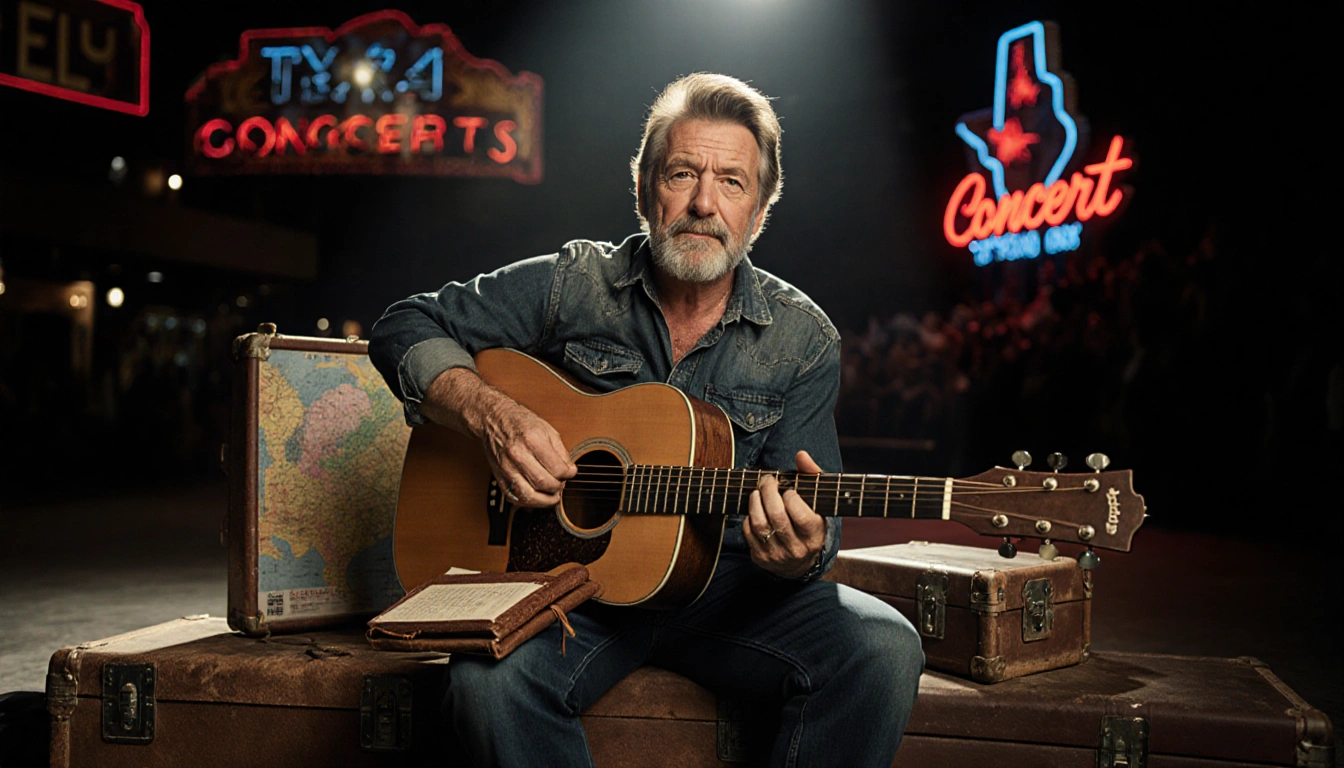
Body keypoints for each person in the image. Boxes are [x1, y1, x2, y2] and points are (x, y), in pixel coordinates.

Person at [369, 73, 923, 768]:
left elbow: (816, 517)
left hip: (729, 598)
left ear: (759, 210)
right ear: (642, 189)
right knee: (486, 681)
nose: (702, 203)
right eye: (682, 173)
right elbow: (404, 325)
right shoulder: (575, 282)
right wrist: (492, 415)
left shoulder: (804, 338)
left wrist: (803, 550)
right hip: (571, 593)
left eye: (731, 182)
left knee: (884, 646)